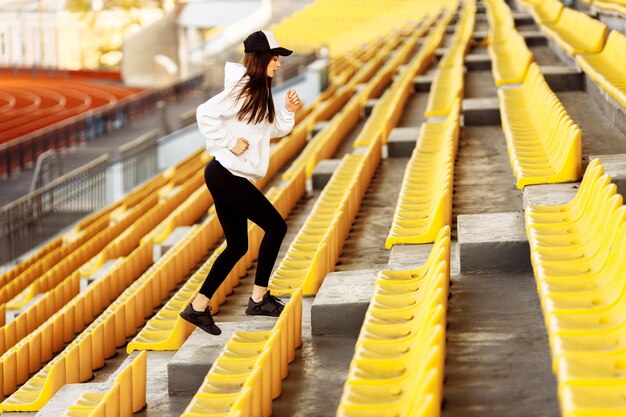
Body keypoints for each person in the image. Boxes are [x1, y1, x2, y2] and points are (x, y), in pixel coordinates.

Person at [180, 30, 302, 335]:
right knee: (276, 227)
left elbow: (270, 130)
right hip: (226, 173)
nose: (278, 64)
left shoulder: (259, 90)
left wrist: (287, 111)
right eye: (275, 58)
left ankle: (197, 307)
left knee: (237, 245)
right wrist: (231, 142)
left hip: (225, 174)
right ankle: (259, 298)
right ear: (261, 59)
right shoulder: (245, 88)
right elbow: (205, 113)